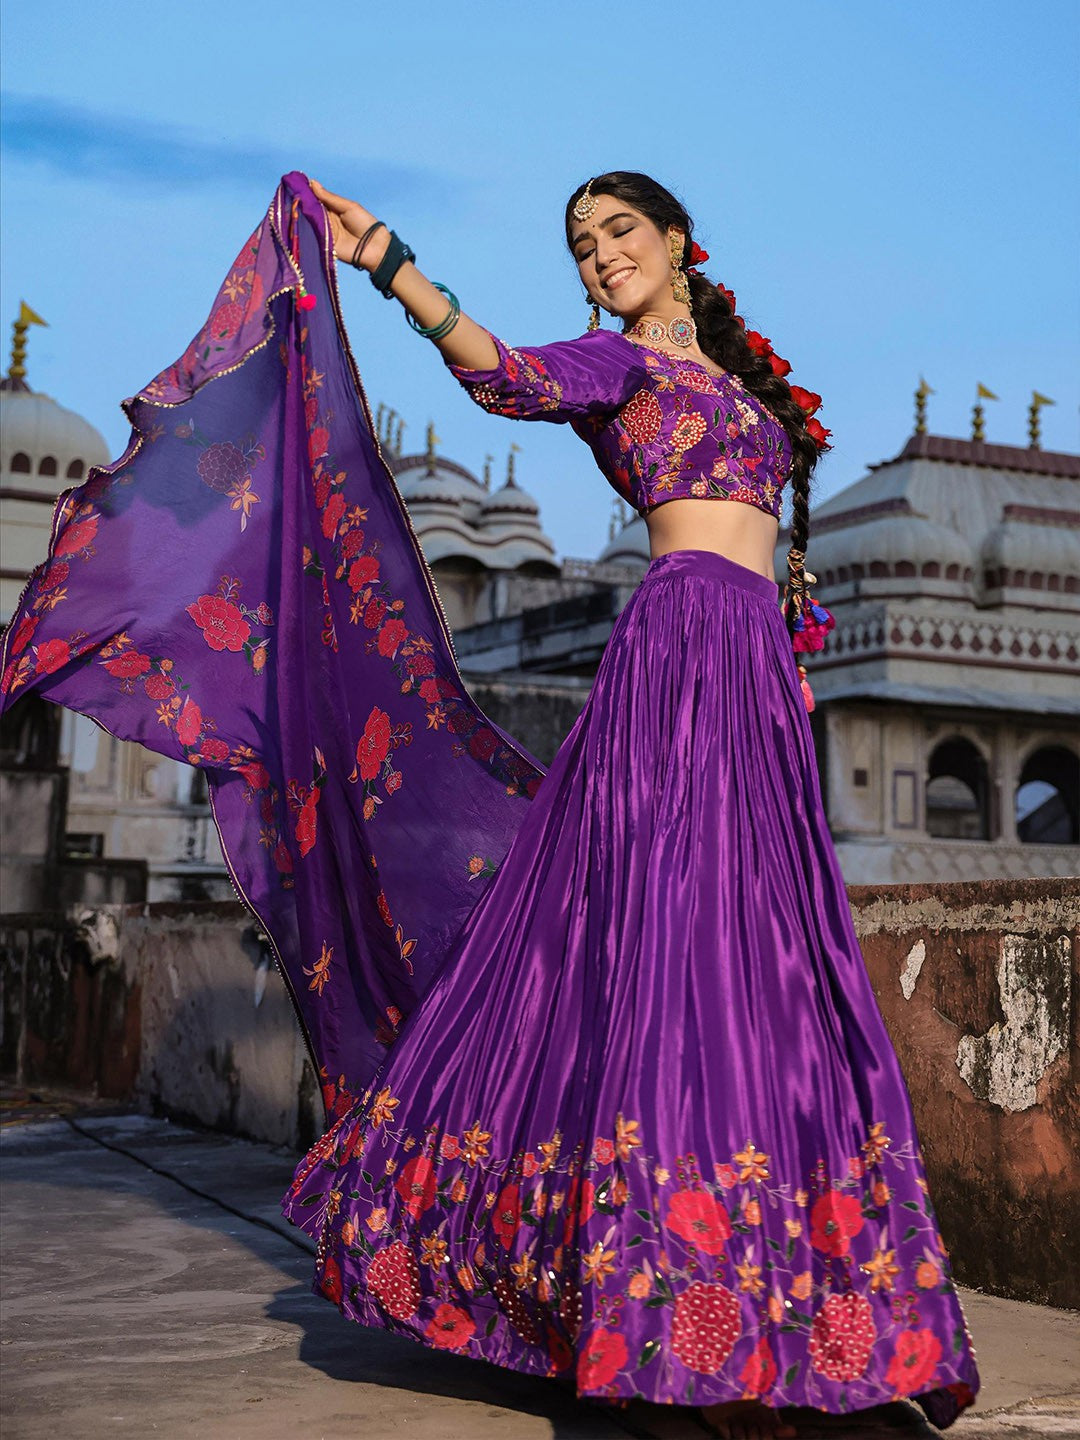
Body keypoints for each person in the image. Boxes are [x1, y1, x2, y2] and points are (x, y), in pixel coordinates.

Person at [0, 169, 978, 1438]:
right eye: (580, 245)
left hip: (757, 687)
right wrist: (396, 261)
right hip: (678, 661)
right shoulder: (611, 366)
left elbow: (776, 552)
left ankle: (794, 1312)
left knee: (771, 973)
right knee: (668, 963)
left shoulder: (744, 388)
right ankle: (672, 1327)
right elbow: (500, 372)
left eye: (619, 232)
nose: (599, 257)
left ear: (681, 243)